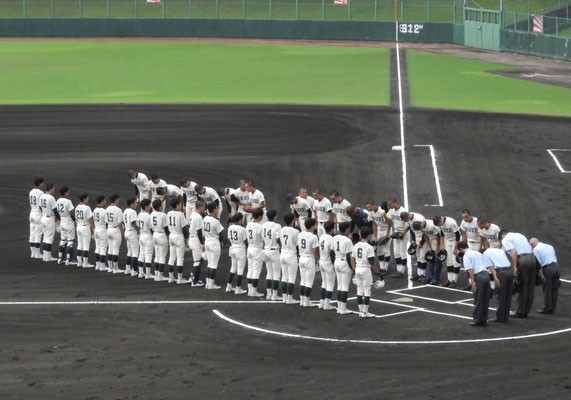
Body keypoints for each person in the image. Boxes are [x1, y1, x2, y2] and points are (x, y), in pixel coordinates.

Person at [499, 230, 536, 318]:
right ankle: (526, 311)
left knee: (522, 286)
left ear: (501, 237)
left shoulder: (505, 239)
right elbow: (532, 250)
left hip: (523, 261)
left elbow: (513, 252)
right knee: (530, 286)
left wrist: (515, 266)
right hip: (532, 258)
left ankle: (520, 312)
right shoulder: (520, 235)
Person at [458, 241, 490, 327]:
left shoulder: (466, 256)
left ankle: (477, 320)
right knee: (485, 299)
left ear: (461, 249)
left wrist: (472, 282)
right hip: (486, 275)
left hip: (479, 276)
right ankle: (484, 319)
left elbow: (470, 269)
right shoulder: (477, 253)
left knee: (478, 299)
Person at [351, 226, 378, 318]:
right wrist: (378, 272)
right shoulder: (369, 247)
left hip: (358, 268)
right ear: (369, 235)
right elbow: (371, 262)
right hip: (366, 269)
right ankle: (365, 312)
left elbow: (352, 259)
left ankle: (360, 311)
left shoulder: (355, 245)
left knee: (359, 290)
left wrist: (354, 272)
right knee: (367, 291)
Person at [530, 238, 560, 314]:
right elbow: (555, 258)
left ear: (532, 244)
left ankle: (546, 308)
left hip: (548, 269)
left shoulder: (536, 250)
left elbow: (539, 264)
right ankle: (552, 308)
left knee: (547, 289)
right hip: (556, 268)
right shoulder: (550, 246)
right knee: (554, 289)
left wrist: (541, 275)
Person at [482, 247, 512, 322]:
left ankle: (500, 317)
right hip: (509, 271)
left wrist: (495, 278)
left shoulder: (485, 254)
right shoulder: (499, 250)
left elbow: (491, 267)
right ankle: (506, 316)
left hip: (501, 273)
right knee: (508, 295)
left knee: (501, 295)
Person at [166, 198, 190, 284]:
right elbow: (184, 228)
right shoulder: (180, 214)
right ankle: (180, 279)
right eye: (179, 204)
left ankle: (170, 278)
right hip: (179, 236)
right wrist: (186, 239)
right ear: (176, 205)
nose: (181, 205)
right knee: (180, 258)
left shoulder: (168, 213)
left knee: (172, 258)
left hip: (171, 235)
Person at [365, 200, 392, 276]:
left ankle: (385, 268)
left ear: (374, 205)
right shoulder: (371, 213)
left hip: (387, 229)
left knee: (386, 249)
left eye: (369, 206)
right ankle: (382, 267)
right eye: (367, 207)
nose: (368, 208)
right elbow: (374, 224)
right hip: (379, 230)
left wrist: (387, 234)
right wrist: (375, 235)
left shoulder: (382, 211)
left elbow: (390, 223)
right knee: (379, 250)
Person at [297, 218, 320, 308]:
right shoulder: (313, 236)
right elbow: (315, 252)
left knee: (303, 281)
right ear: (312, 226)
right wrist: (318, 260)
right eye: (315, 224)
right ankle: (306, 302)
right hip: (309, 259)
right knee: (309, 282)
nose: (316, 226)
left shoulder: (300, 234)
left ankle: (302, 300)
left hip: (301, 258)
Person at [333, 221, 354, 315]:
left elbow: (331, 252)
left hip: (337, 261)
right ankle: (343, 309)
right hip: (344, 263)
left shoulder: (335, 238)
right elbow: (349, 256)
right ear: (346, 229)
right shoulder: (347, 240)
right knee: (344, 287)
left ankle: (339, 308)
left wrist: (333, 263)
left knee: (339, 286)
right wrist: (352, 268)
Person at [433, 215, 461, 287]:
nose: (440, 226)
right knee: (448, 261)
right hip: (448, 240)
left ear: (441, 221)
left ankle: (454, 281)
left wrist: (456, 248)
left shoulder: (451, 223)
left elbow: (458, 235)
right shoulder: (441, 223)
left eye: (439, 224)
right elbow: (442, 233)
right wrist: (442, 244)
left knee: (455, 261)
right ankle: (449, 280)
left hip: (455, 240)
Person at [412, 219, 442, 285]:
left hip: (438, 240)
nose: (421, 230)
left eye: (420, 228)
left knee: (437, 260)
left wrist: (438, 247)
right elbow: (425, 236)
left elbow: (438, 236)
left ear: (421, 224)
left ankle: (435, 278)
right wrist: (430, 247)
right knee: (431, 259)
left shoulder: (431, 225)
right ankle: (431, 277)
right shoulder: (422, 227)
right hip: (431, 240)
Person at [202, 202, 225, 290]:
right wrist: (221, 241)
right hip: (214, 243)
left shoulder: (205, 219)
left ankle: (208, 283)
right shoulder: (215, 221)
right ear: (214, 209)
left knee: (209, 264)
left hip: (207, 242)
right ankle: (211, 284)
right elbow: (221, 234)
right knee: (214, 265)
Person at [279, 213, 300, 305]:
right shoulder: (295, 231)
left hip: (282, 254)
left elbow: (278, 240)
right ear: (292, 220)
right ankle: (290, 298)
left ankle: (284, 297)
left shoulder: (281, 230)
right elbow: (298, 245)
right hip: (291, 255)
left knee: (284, 276)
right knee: (291, 278)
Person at [262, 209, 283, 301]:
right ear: (275, 216)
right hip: (274, 251)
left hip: (266, 250)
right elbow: (278, 239)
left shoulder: (263, 225)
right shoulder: (277, 226)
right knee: (277, 274)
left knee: (269, 273)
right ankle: (274, 295)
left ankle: (268, 294)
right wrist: (281, 244)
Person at [400, 210, 426, 281]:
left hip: (424, 238)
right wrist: (413, 240)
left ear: (407, 216)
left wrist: (421, 243)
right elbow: (411, 229)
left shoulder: (419, 218)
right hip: (417, 238)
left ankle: (423, 275)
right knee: (418, 257)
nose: (405, 221)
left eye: (405, 219)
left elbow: (425, 232)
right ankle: (419, 274)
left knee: (422, 257)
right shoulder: (408, 219)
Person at [226, 213, 248, 294]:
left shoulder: (230, 227)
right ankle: (238, 288)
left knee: (233, 268)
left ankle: (229, 286)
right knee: (240, 270)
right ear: (239, 219)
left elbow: (228, 240)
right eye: (242, 219)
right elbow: (245, 241)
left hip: (232, 248)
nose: (243, 220)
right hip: (240, 249)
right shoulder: (242, 229)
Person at [246, 208, 265, 297]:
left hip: (250, 248)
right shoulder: (260, 227)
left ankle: (250, 290)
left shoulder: (248, 224)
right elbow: (263, 239)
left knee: (250, 269)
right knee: (256, 271)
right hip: (257, 249)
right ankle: (254, 291)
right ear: (260, 216)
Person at [387, 197, 408, 278]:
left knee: (402, 252)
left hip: (404, 232)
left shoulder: (403, 211)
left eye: (390, 204)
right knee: (396, 252)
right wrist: (384, 216)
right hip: (396, 231)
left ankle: (402, 271)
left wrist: (402, 234)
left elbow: (408, 225)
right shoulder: (392, 211)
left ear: (395, 202)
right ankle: (398, 270)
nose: (389, 206)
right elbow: (389, 221)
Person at [56, 186, 77, 266]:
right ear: (65, 193)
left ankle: (60, 258)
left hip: (62, 221)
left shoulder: (58, 201)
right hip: (68, 222)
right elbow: (72, 213)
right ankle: (69, 260)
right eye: (68, 191)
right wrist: (74, 220)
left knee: (63, 240)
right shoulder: (68, 201)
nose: (69, 192)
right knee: (70, 241)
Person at [39, 183, 60, 262]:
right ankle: (48, 257)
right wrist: (59, 220)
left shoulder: (42, 196)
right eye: (53, 189)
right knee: (49, 238)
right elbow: (55, 210)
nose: (54, 190)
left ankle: (45, 256)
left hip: (43, 218)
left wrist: (45, 212)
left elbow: (40, 207)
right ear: (50, 189)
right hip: (49, 219)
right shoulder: (51, 198)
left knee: (45, 237)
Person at [318, 221, 336, 311]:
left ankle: (322, 303)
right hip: (328, 262)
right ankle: (327, 304)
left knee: (324, 283)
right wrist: (334, 264)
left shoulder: (321, 237)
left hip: (322, 261)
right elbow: (332, 253)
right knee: (330, 284)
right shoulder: (331, 239)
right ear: (332, 229)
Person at [188, 201, 206, 287]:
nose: (205, 209)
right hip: (196, 240)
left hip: (191, 239)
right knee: (197, 261)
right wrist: (202, 243)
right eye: (204, 207)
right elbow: (199, 231)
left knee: (200, 258)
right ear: (200, 206)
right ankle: (194, 281)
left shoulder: (192, 214)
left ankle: (192, 275)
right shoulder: (198, 217)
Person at [150, 199, 169, 282]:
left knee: (157, 255)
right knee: (162, 256)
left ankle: (156, 274)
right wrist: (168, 236)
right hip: (161, 235)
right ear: (160, 206)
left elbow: (150, 227)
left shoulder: (151, 214)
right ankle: (160, 276)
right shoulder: (163, 215)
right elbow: (166, 227)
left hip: (154, 234)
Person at [106, 194, 124, 274]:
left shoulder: (107, 209)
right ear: (116, 200)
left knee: (110, 249)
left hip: (109, 229)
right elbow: (120, 223)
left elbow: (106, 221)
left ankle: (110, 267)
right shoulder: (118, 210)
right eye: (118, 199)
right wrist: (121, 232)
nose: (119, 201)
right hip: (116, 230)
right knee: (115, 250)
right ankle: (115, 268)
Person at [75, 192, 94, 268]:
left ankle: (79, 262)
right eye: (87, 198)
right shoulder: (87, 208)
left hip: (78, 226)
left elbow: (76, 218)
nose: (88, 199)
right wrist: (93, 228)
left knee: (79, 245)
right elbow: (90, 219)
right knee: (86, 246)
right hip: (85, 227)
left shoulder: (77, 207)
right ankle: (85, 263)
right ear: (84, 199)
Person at [123, 196, 140, 277]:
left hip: (126, 231)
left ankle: (127, 269)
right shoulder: (132, 212)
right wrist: (139, 230)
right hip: (132, 232)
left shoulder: (125, 211)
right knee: (135, 253)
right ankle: (134, 270)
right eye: (135, 202)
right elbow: (133, 223)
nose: (136, 204)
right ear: (131, 203)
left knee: (129, 252)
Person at [137, 198, 154, 280]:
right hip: (147, 236)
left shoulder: (139, 214)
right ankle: (148, 274)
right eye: (150, 205)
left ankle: (141, 273)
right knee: (148, 255)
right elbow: (151, 228)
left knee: (141, 254)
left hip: (141, 235)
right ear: (146, 206)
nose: (151, 207)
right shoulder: (148, 216)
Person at [29, 176, 45, 259]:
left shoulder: (31, 192)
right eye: (42, 182)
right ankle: (38, 254)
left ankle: (33, 253)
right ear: (40, 183)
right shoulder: (41, 193)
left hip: (32, 212)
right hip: (38, 214)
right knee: (38, 234)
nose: (43, 184)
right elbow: (41, 206)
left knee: (32, 233)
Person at [92, 195, 108, 271]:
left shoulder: (95, 210)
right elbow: (107, 222)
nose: (105, 201)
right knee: (103, 248)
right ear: (102, 201)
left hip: (96, 229)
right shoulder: (104, 211)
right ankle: (102, 266)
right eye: (104, 200)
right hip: (102, 230)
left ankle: (97, 265)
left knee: (97, 248)